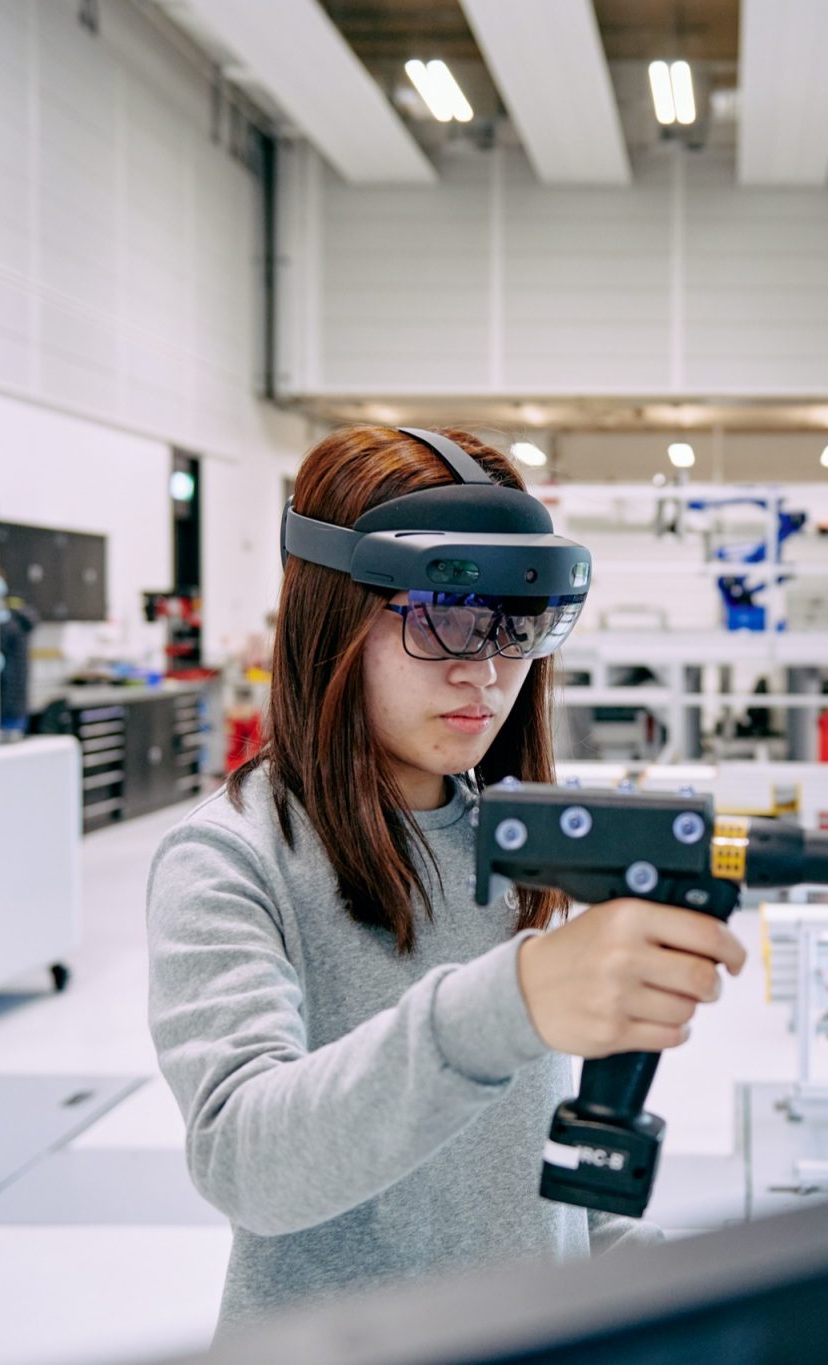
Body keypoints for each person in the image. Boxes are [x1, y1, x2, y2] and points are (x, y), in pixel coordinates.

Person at [145, 425, 746, 1337]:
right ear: (332, 613)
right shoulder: (231, 857)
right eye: (444, 616)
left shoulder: (511, 846)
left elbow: (550, 1211)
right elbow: (246, 1160)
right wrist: (510, 1000)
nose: (490, 669)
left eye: (518, 623)